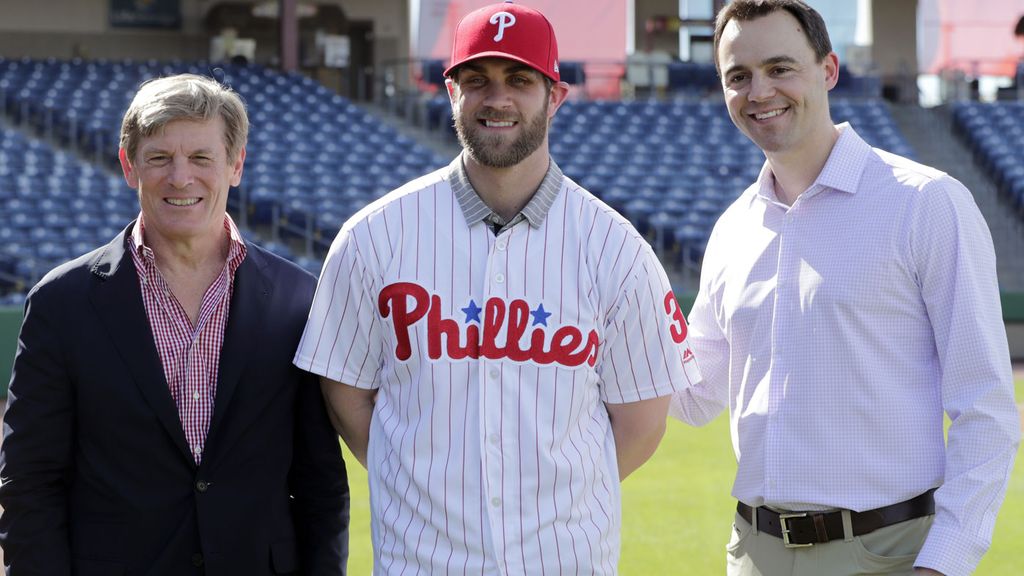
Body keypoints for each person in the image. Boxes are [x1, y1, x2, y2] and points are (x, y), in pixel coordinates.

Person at [294, 2, 701, 573]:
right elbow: (345, 394)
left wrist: (552, 504)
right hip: (421, 562)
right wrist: (418, 481)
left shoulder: (617, 249)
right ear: (451, 92)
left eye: (520, 79)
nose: (498, 98)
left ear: (555, 96)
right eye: (476, 79)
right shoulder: (374, 237)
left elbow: (641, 423)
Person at [670, 2, 1020, 575]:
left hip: (887, 553)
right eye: (739, 76)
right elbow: (696, 393)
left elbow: (986, 407)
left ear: (828, 70)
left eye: (780, 68)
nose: (759, 91)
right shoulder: (733, 227)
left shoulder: (925, 204)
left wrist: (944, 563)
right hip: (753, 552)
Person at [0, 74, 350, 575]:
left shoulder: (298, 299)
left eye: (201, 158)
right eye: (160, 158)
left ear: (235, 165)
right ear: (129, 165)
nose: (181, 178)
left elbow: (321, 484)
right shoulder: (61, 303)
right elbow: (30, 482)